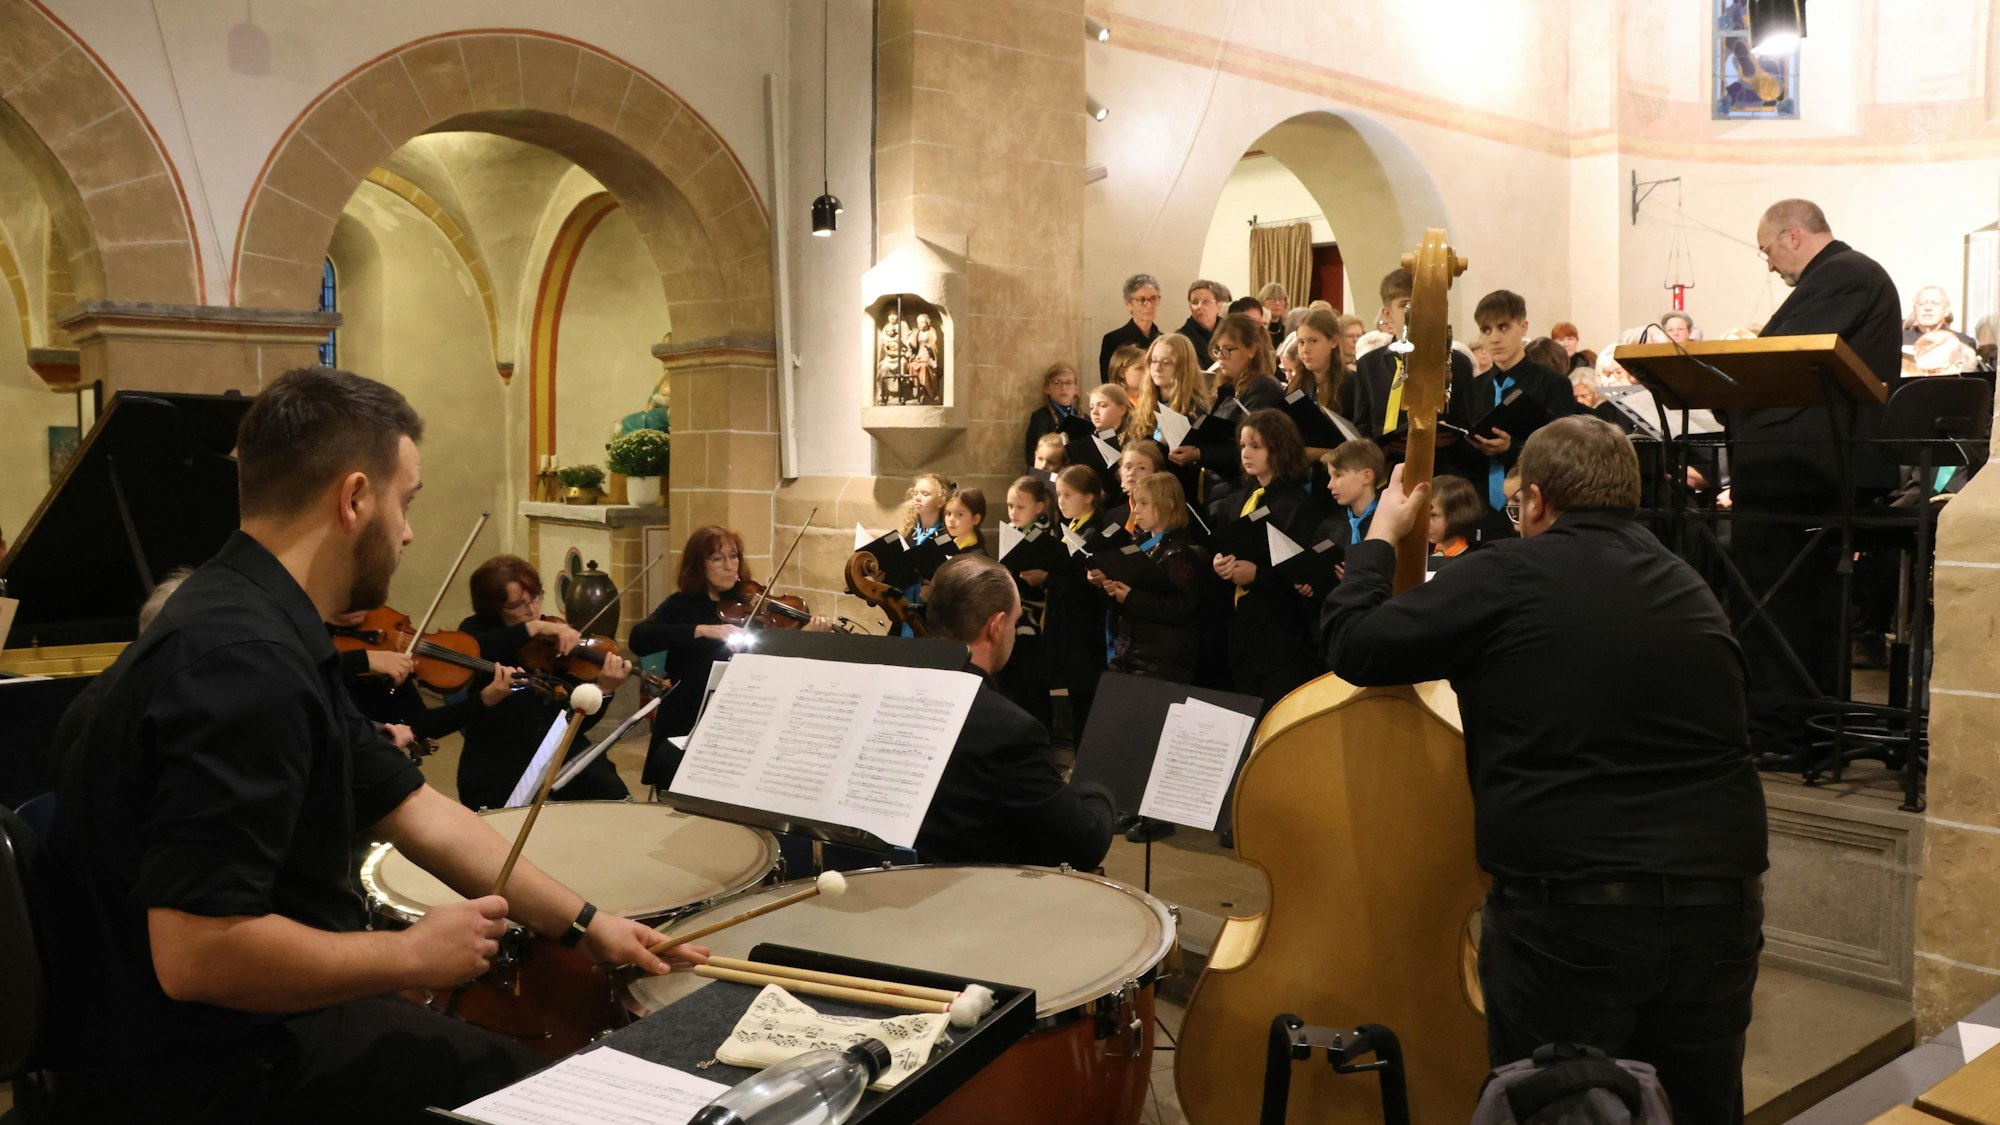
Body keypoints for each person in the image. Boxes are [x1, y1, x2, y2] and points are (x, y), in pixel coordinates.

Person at [39, 367, 700, 1124]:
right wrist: (410, 955)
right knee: (552, 1100)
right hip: (209, 1066)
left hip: (229, 1033)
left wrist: (588, 926)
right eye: (405, 501)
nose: (411, 530)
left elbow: (413, 806)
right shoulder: (241, 664)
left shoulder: (247, 616)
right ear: (355, 498)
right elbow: (196, 954)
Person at [1320, 416, 1767, 1124]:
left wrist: (1379, 534)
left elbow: (1356, 642)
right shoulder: (1686, 583)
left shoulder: (1505, 571)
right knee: (1697, 1107)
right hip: (1719, 908)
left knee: (1558, 1107)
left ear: (1533, 501)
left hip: (1573, 917)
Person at [1735, 198, 1901, 765]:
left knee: (1784, 603)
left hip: (1804, 472)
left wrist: (1737, 369)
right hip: (1801, 470)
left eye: (1768, 251)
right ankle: (1803, 728)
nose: (1771, 267)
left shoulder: (1846, 274)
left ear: (1793, 236)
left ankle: (1786, 734)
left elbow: (1785, 358)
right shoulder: (1845, 276)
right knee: (1797, 601)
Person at [913, 554, 1117, 867]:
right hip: (980, 893)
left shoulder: (897, 694)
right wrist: (1096, 787)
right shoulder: (1008, 730)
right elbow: (1085, 843)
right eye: (1015, 621)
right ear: (995, 626)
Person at [630, 524, 832, 788]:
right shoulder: (681, 605)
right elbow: (639, 637)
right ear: (699, 565)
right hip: (687, 717)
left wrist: (804, 636)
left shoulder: (750, 604)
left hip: (739, 720)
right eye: (718, 558)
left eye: (734, 556)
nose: (729, 566)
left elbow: (772, 655)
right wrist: (705, 630)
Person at [453, 555, 635, 810]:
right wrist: (534, 629)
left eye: (536, 597)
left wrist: (603, 690)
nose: (533, 611)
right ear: (493, 609)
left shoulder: (554, 647)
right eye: (519, 605)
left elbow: (573, 723)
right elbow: (478, 649)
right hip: (498, 765)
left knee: (613, 798)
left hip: (553, 754)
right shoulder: (475, 635)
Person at [1207, 409, 1323, 714]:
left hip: (1282, 634)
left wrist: (1258, 575)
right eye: (1243, 445)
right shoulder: (1237, 499)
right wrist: (1219, 564)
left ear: (1279, 447)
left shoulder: (1297, 504)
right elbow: (1223, 546)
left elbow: (1304, 572)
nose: (1246, 453)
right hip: (1242, 630)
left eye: (1256, 446)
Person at [1460, 289, 1575, 526]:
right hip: (1480, 508)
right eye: (1486, 330)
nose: (1494, 338)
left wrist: (1512, 447)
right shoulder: (1473, 389)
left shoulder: (1552, 383)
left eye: (1503, 327)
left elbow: (1567, 452)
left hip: (1537, 505)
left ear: (1523, 327)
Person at [1350, 267, 1477, 448]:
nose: (1415, 311)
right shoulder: (1369, 364)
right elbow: (1362, 425)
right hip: (1383, 467)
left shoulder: (1457, 362)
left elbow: (1466, 424)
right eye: (1405, 304)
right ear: (1388, 314)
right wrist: (1380, 448)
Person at [1048, 464, 1112, 742]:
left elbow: (1084, 579)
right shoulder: (1071, 528)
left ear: (1089, 497)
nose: (1061, 501)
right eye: (1058, 494)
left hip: (1087, 626)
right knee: (1075, 694)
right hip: (1070, 622)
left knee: (1086, 695)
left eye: (1068, 494)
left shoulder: (1095, 532)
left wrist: (1049, 576)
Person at [997, 476, 1057, 729]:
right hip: (1013, 617)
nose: (1013, 512)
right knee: (1012, 684)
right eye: (1010, 506)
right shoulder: (1014, 533)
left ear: (1040, 507)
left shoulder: (1046, 535)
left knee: (1032, 685)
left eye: (1020, 507)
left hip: (1035, 622)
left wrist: (1042, 578)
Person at [1099, 273, 1164, 383]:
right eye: (1141, 300)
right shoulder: (1113, 340)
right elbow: (1109, 384)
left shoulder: (1163, 341)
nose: (1149, 306)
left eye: (1153, 299)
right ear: (1128, 303)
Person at [1023, 361, 1083, 467]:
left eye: (1068, 383)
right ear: (1047, 388)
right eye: (1056, 382)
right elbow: (1033, 457)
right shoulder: (1042, 418)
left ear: (1076, 389)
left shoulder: (1084, 417)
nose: (1063, 387)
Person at [1427, 474, 1482, 571]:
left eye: (1433, 515)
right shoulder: (1425, 557)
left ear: (1457, 516)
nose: (1426, 523)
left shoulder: (1471, 564)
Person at [1903, 284, 1977, 350]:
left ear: (1946, 311)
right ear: (1914, 309)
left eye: (1935, 303)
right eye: (1922, 304)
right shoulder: (1899, 340)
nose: (1928, 308)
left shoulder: (1963, 343)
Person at [1178, 279, 1226, 363]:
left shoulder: (1230, 331)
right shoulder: (1181, 338)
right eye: (1195, 302)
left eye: (1206, 302)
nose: (1200, 306)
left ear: (1218, 306)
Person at [1258, 281, 1291, 349]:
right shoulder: (1257, 330)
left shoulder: (1287, 331)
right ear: (1262, 302)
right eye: (1271, 299)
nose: (1277, 303)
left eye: (1281, 299)